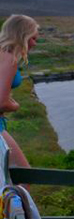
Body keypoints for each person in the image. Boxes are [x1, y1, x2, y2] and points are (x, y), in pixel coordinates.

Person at [0, 15, 39, 170]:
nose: (35, 44)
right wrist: (15, 105)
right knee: (24, 175)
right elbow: (1, 102)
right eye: (34, 38)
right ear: (23, 36)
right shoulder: (9, 58)